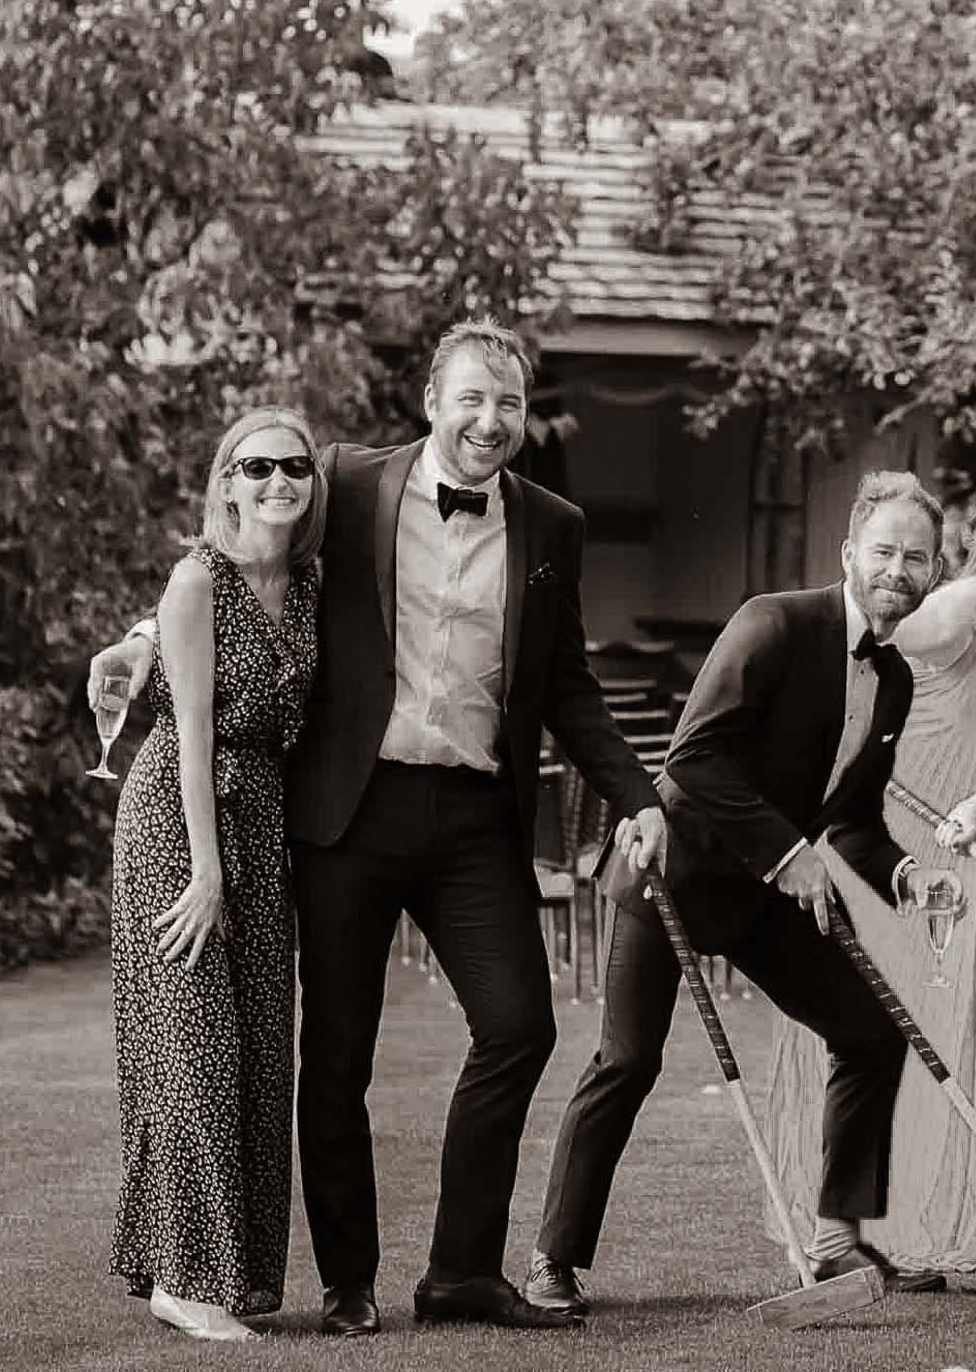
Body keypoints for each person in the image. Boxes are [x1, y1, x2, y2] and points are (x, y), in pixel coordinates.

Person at [93, 320, 662, 1336]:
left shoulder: (554, 525)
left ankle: (460, 1272)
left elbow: (570, 683)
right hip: (347, 812)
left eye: (510, 403)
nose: (490, 420)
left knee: (518, 1024)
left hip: (476, 818)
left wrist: (642, 796)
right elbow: (237, 550)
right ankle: (348, 1282)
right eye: (472, 398)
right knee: (338, 1054)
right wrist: (145, 635)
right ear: (432, 401)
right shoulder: (348, 480)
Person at [530, 472, 952, 1309]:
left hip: (765, 895)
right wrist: (790, 853)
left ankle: (838, 1240)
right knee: (628, 1059)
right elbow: (694, 761)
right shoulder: (774, 621)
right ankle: (553, 1260)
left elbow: (854, 818)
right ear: (848, 554)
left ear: (935, 570)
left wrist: (903, 871)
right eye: (885, 550)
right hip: (674, 875)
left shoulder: (895, 680)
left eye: (917, 556)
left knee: (870, 1031)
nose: (898, 568)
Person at [755, 457, 976, 1277]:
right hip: (885, 827)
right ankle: (853, 1232)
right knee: (871, 1017)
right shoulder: (958, 610)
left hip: (972, 835)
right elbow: (864, 650)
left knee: (965, 1018)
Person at [108, 408, 325, 1342]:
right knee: (191, 1042)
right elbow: (192, 735)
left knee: (261, 1052)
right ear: (226, 482)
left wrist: (136, 635)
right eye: (257, 466)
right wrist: (206, 875)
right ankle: (181, 1280)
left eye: (294, 467)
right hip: (178, 818)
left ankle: (221, 1273)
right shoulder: (199, 579)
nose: (278, 481)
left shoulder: (315, 578)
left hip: (263, 819)